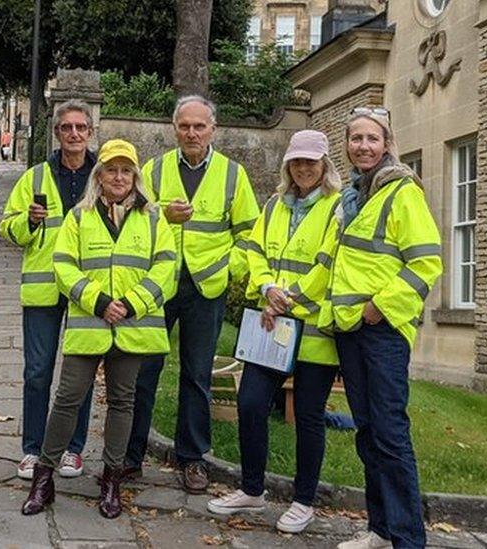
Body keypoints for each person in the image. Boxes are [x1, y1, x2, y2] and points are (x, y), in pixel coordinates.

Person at [21, 139, 176, 519]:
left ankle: (111, 480)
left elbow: (167, 266)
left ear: (135, 177)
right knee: (68, 398)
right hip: (90, 323)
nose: (119, 177)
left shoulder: (154, 218)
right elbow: (63, 265)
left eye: (126, 170)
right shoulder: (78, 216)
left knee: (123, 401)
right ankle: (44, 476)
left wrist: (134, 302)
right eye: (111, 169)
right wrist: (100, 302)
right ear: (100, 175)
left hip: (133, 326)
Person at [205, 130, 343, 534]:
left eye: (311, 162)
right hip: (272, 321)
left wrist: (291, 296)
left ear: (324, 165)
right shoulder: (274, 205)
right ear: (287, 166)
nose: (303, 168)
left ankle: (304, 501)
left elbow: (329, 261)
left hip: (314, 327)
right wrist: (267, 288)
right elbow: (256, 250)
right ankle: (252, 488)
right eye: (296, 162)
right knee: (250, 403)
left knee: (308, 415)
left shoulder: (338, 208)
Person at [123, 95, 260, 494]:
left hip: (207, 287)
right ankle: (131, 456)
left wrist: (226, 268)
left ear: (213, 129)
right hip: (158, 284)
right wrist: (163, 214)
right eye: (185, 126)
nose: (192, 133)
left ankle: (192, 458)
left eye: (200, 126)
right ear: (174, 128)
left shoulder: (234, 174)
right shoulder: (155, 169)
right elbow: (134, 218)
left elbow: (251, 235)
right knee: (142, 371)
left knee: (197, 374)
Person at [325, 108, 443, 549]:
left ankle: (408, 540)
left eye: (372, 139)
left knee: (390, 434)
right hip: (350, 330)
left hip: (382, 331)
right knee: (368, 432)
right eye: (356, 139)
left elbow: (427, 262)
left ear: (386, 143)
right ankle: (380, 529)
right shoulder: (353, 196)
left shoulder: (401, 192)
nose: (363, 146)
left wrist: (379, 307)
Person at [0, 100, 98, 481]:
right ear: (57, 133)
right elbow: (8, 229)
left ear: (90, 132)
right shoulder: (35, 177)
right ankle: (33, 450)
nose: (74, 134)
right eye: (66, 128)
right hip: (44, 290)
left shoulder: (102, 177)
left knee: (81, 376)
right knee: (38, 373)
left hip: (87, 291)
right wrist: (27, 221)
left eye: (80, 128)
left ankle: (73, 449)